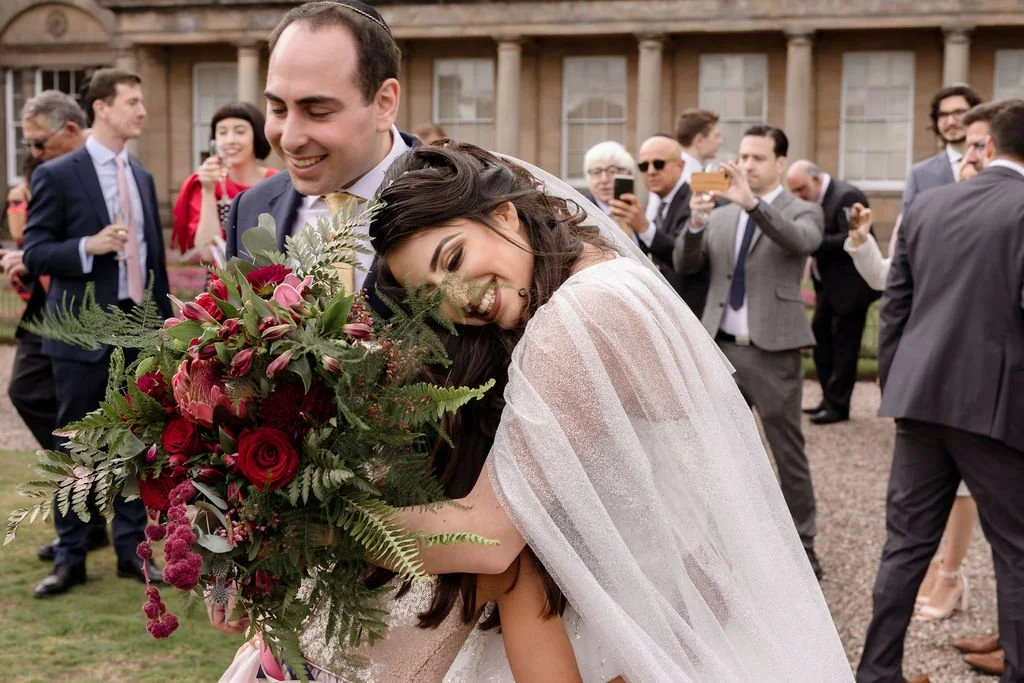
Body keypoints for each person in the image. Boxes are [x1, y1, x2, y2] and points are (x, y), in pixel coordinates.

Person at [364, 142, 852, 681]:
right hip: (661, 597)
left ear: (504, 213)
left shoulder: (580, 316)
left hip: (639, 619)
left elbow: (488, 535)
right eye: (430, 296)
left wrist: (327, 528)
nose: (456, 297)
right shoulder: (596, 273)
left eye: (453, 259)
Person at [856, 101, 1024, 683]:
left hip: (919, 399)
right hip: (1000, 406)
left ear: (991, 146)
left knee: (905, 544)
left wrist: (897, 388)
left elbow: (896, 305)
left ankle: (877, 672)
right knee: (1017, 549)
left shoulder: (927, 204)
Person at [22, 69, 172, 598]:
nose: (142, 111)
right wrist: (89, 246)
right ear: (102, 108)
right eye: (133, 101)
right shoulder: (59, 174)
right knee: (77, 448)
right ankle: (71, 556)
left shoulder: (143, 176)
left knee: (136, 443)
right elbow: (36, 250)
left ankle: (132, 550)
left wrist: (164, 329)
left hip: (138, 335)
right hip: (82, 335)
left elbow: (154, 262)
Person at [673, 125, 826, 579]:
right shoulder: (719, 213)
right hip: (719, 349)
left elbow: (802, 243)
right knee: (717, 451)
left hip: (773, 350)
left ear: (781, 162)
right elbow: (686, 263)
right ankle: (724, 541)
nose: (747, 165)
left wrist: (753, 205)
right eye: (743, 156)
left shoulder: (804, 209)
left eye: (758, 158)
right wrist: (697, 223)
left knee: (786, 450)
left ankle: (804, 542)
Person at [224, 0, 419, 303]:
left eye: (317, 112)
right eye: (277, 109)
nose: (289, 140)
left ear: (384, 103)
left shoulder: (465, 202)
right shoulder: (251, 208)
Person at [5, 91, 111, 564]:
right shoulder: (47, 170)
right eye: (27, 144)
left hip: (87, 311)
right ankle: (86, 496)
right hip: (49, 301)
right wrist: (26, 259)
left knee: (79, 422)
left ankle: (85, 520)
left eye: (38, 142)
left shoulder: (108, 170)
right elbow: (43, 236)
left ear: (71, 129)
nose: (32, 152)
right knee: (27, 390)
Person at [786, 159, 878, 425]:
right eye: (793, 191)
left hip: (851, 289)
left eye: (801, 189)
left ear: (815, 179)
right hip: (827, 287)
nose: (799, 196)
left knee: (844, 349)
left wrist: (811, 243)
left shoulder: (847, 195)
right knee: (822, 343)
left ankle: (838, 406)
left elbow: (852, 237)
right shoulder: (817, 200)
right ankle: (828, 399)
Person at [614, 134, 709, 316]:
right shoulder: (659, 203)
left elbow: (683, 257)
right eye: (644, 166)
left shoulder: (694, 201)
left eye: (658, 164)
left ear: (680, 166)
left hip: (690, 312)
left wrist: (643, 226)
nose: (650, 171)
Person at [172, 101, 276, 264]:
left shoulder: (276, 183)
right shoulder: (206, 183)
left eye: (240, 132)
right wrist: (208, 190)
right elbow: (207, 253)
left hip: (271, 281)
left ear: (256, 135)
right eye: (222, 133)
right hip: (221, 284)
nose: (230, 140)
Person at [900, 84, 981, 216]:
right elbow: (908, 227)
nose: (950, 122)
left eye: (959, 113)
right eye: (943, 115)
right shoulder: (919, 174)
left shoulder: (993, 166)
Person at [645, 108, 723, 225]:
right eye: (716, 136)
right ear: (699, 140)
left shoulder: (702, 173)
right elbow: (652, 218)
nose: (720, 141)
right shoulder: (672, 173)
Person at [580, 140, 632, 214]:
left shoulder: (640, 213)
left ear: (628, 174)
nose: (604, 179)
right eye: (596, 172)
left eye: (612, 171)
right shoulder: (578, 215)